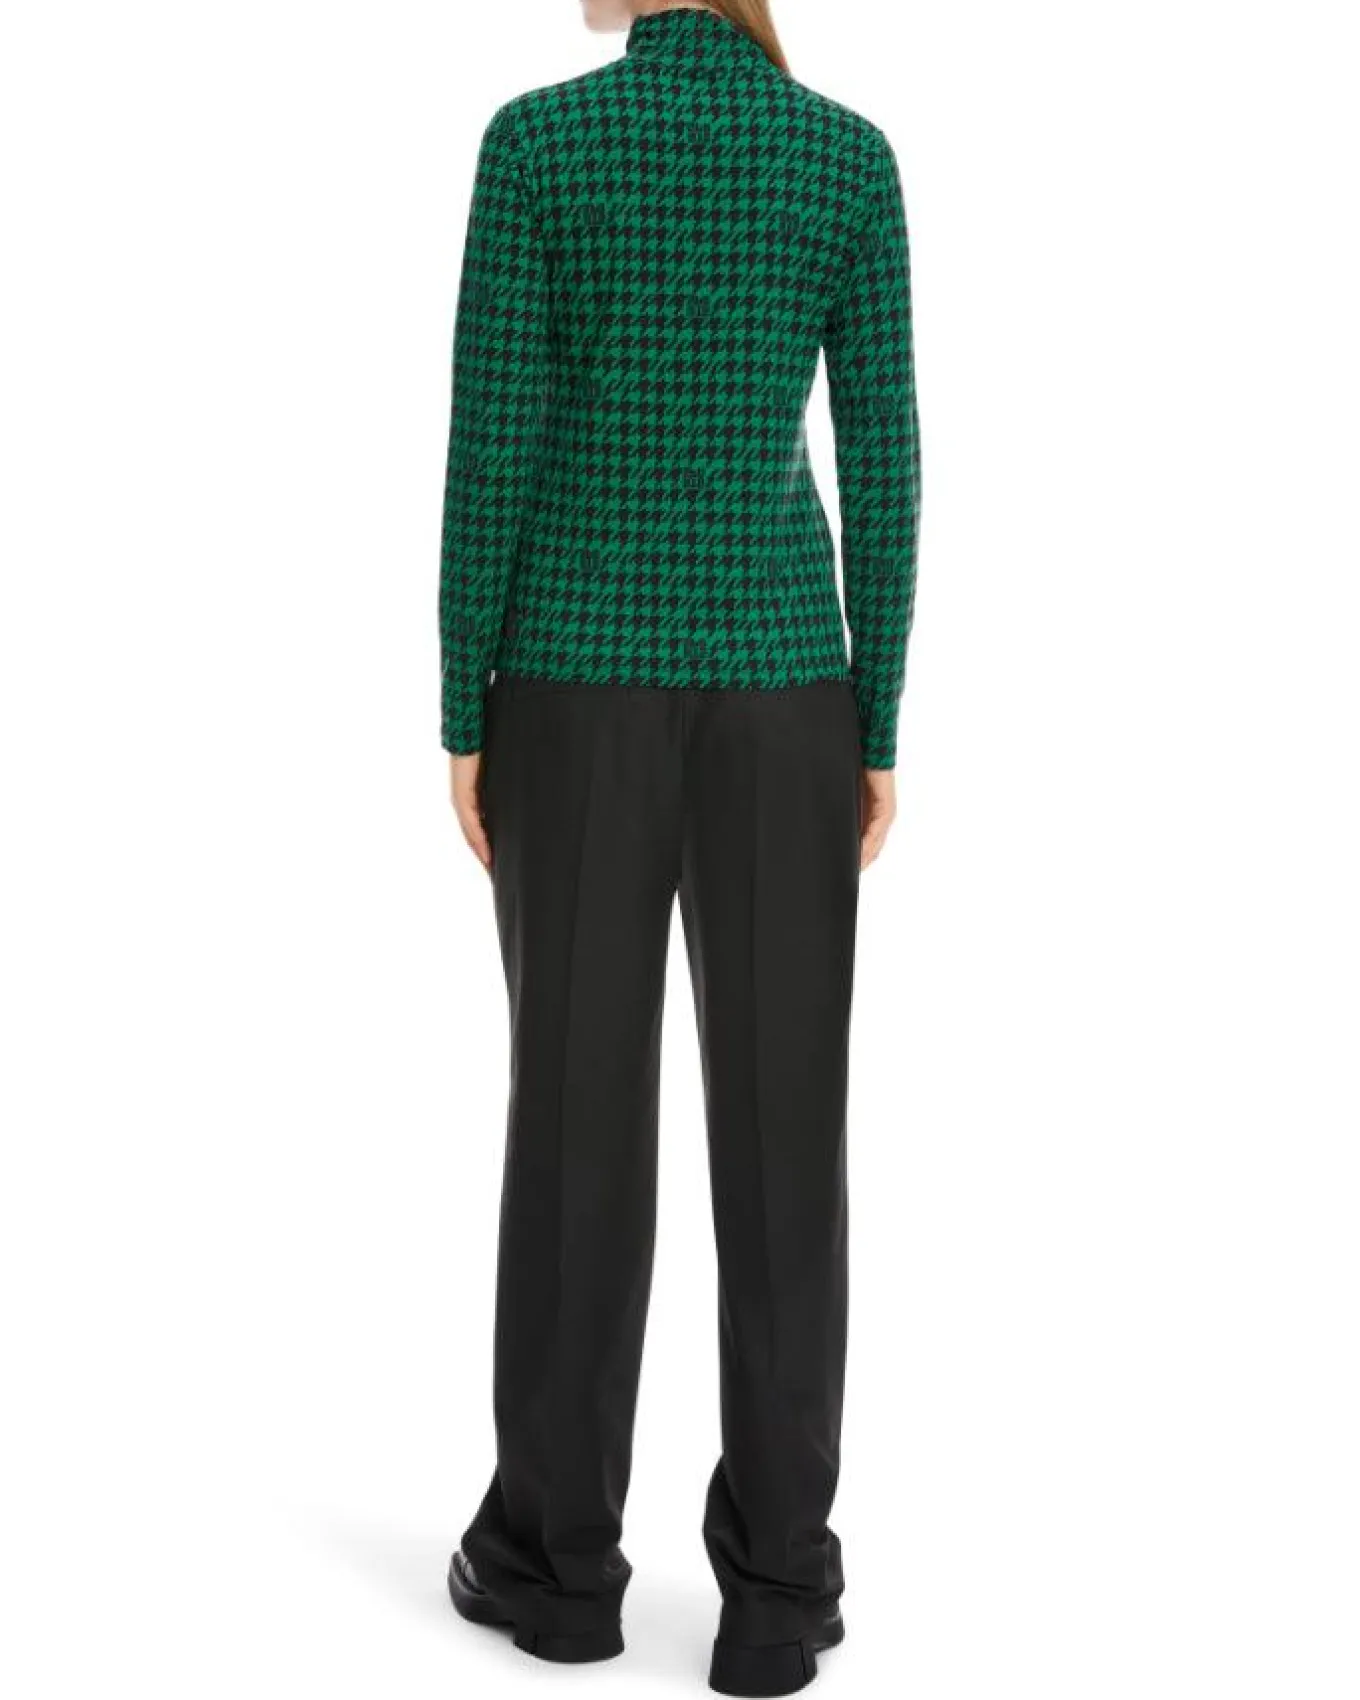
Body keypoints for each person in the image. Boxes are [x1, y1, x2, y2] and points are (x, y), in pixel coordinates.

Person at [438, 2, 920, 1693]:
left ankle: (558, 1568)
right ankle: (780, 1589)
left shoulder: (539, 142)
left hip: (574, 685)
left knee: (575, 1122)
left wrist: (461, 702)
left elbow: (491, 441)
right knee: (788, 1139)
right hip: (788, 691)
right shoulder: (844, 156)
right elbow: (886, 455)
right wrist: (875, 720)